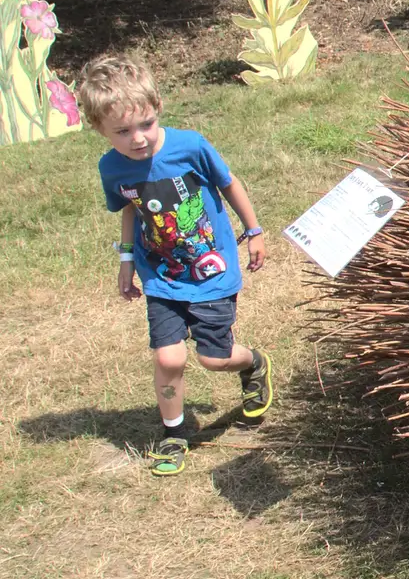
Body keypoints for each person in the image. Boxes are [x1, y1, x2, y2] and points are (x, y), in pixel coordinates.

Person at [80, 55, 274, 475]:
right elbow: (130, 209)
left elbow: (229, 183)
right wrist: (127, 261)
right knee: (168, 359)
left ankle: (253, 364)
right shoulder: (111, 168)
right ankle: (174, 433)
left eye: (145, 124)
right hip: (162, 276)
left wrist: (253, 230)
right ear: (98, 129)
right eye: (122, 131)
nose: (138, 139)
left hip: (211, 272)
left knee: (213, 358)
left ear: (158, 108)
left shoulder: (190, 146)